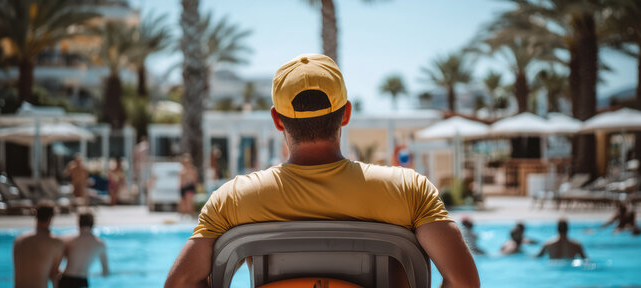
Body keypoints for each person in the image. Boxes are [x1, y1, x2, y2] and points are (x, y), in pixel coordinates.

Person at [165, 54, 479, 287]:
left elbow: (179, 283)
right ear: (346, 114)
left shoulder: (232, 199)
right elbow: (463, 282)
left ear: (277, 120)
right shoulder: (409, 190)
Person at [13, 200, 64, 287]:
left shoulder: (19, 240)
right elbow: (54, 274)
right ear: (51, 218)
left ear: (36, 216)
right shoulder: (55, 242)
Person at [60, 212, 109, 288]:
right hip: (83, 281)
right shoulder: (100, 244)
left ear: (79, 223)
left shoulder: (67, 240)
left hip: (66, 279)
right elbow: (106, 271)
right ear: (92, 224)